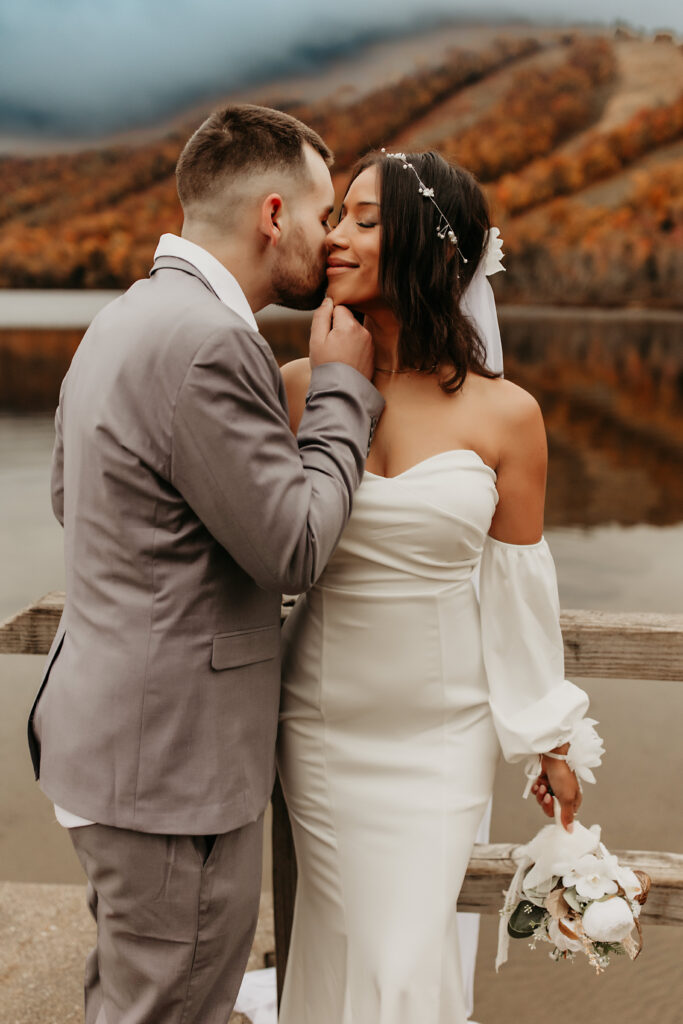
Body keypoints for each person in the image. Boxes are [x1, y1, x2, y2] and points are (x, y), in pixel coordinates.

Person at [27, 104, 385, 1024]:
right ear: (273, 215)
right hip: (171, 775)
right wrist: (342, 390)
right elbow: (295, 544)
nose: (330, 235)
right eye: (320, 213)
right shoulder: (213, 343)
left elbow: (75, 503)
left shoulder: (122, 319)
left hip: (108, 748)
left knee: (135, 1001)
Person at [276, 149, 604, 1023]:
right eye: (336, 214)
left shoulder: (507, 414)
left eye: (362, 218)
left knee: (405, 955)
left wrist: (547, 738)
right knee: (335, 939)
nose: (333, 235)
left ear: (428, 244)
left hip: (438, 733)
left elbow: (516, 588)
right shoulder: (293, 389)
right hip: (314, 721)